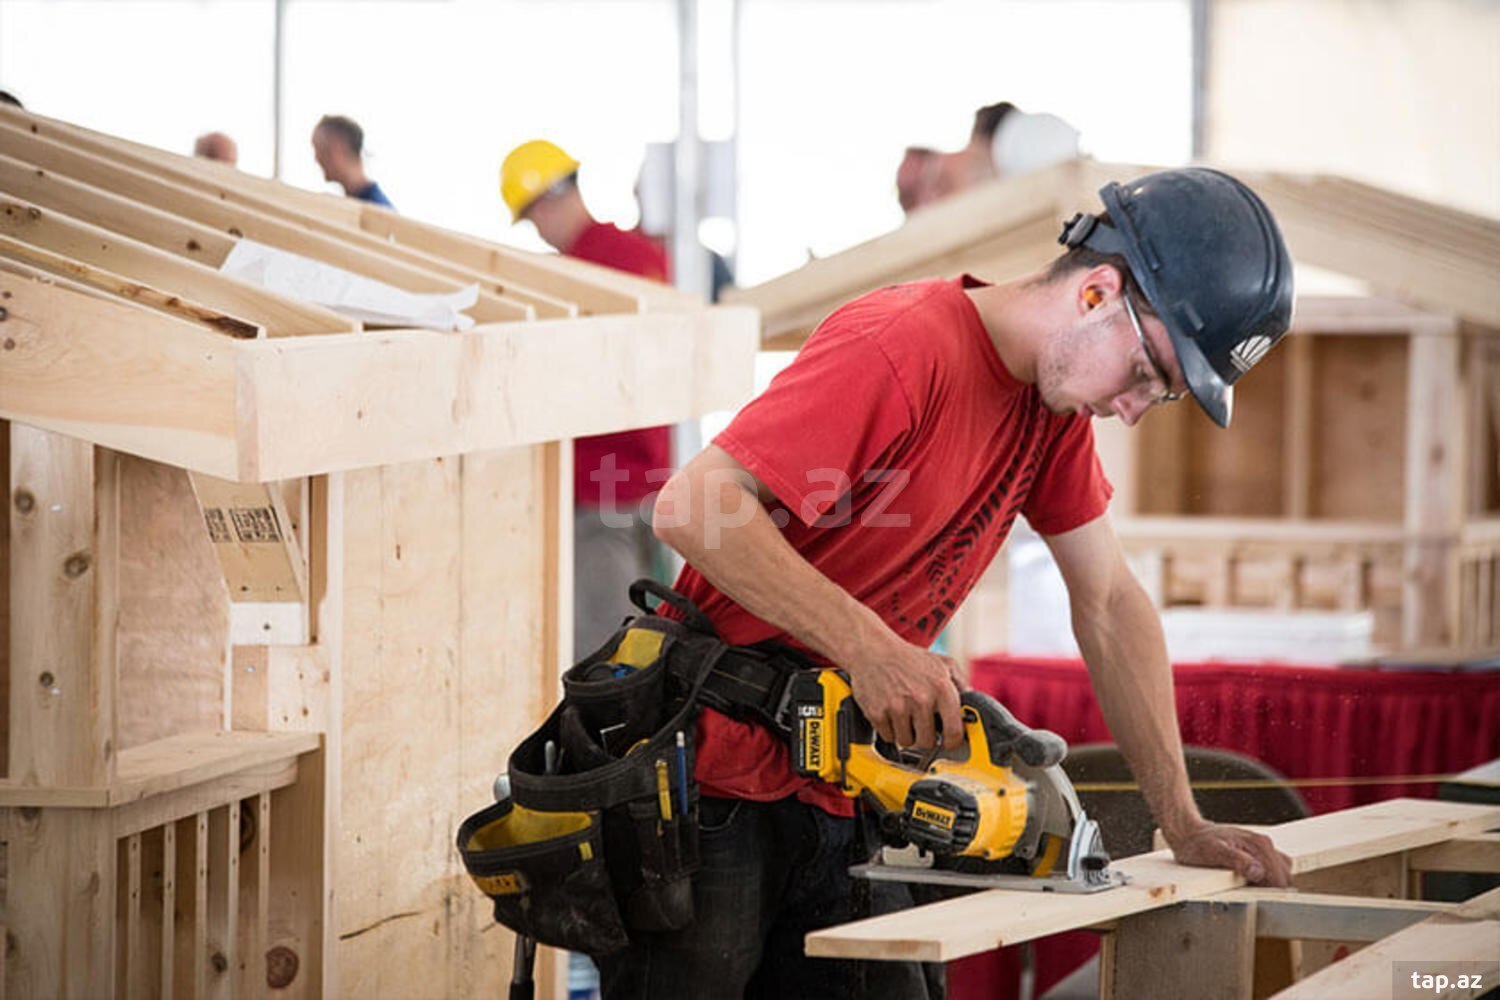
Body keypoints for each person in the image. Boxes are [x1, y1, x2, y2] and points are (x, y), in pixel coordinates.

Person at [598, 167, 1295, 999]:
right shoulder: (903, 347)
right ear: (1096, 294)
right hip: (716, 791)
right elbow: (693, 506)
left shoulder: (1053, 410)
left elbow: (1107, 600)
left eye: (1163, 395)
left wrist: (1179, 819)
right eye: (1147, 374)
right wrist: (871, 648)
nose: (1136, 408)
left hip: (849, 787)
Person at [499, 139, 674, 678]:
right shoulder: (648, 258)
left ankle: (614, 760)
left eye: (532, 221)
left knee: (605, 661)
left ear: (546, 204)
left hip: (601, 494)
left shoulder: (570, 278)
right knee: (658, 647)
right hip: (657, 486)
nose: (540, 233)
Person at [311, 114, 394, 208]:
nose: (316, 159)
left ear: (337, 149)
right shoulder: (350, 206)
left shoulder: (378, 211)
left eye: (320, 150)